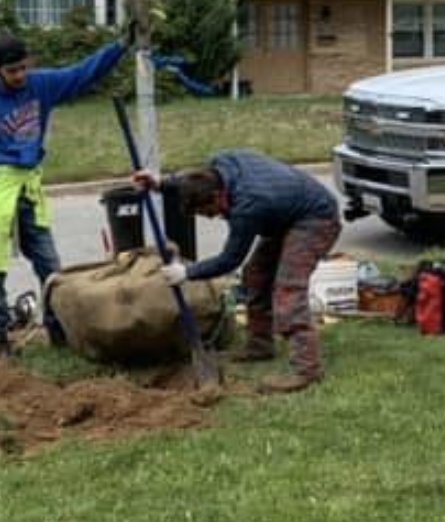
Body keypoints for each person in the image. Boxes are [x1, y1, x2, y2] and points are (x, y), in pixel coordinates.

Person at [0, 29, 129, 359]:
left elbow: (82, 74)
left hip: (28, 188)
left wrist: (119, 47)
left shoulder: (41, 85)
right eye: (12, 71)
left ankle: (59, 332)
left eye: (23, 67)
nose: (20, 76)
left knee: (51, 266)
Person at [136, 151, 341, 394]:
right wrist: (160, 184)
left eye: (211, 211)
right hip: (286, 214)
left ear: (217, 194)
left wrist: (187, 273)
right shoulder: (220, 165)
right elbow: (192, 180)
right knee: (255, 274)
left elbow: (229, 260)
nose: (215, 217)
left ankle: (307, 370)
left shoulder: (248, 206)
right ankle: (260, 345)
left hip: (316, 219)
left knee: (288, 287)